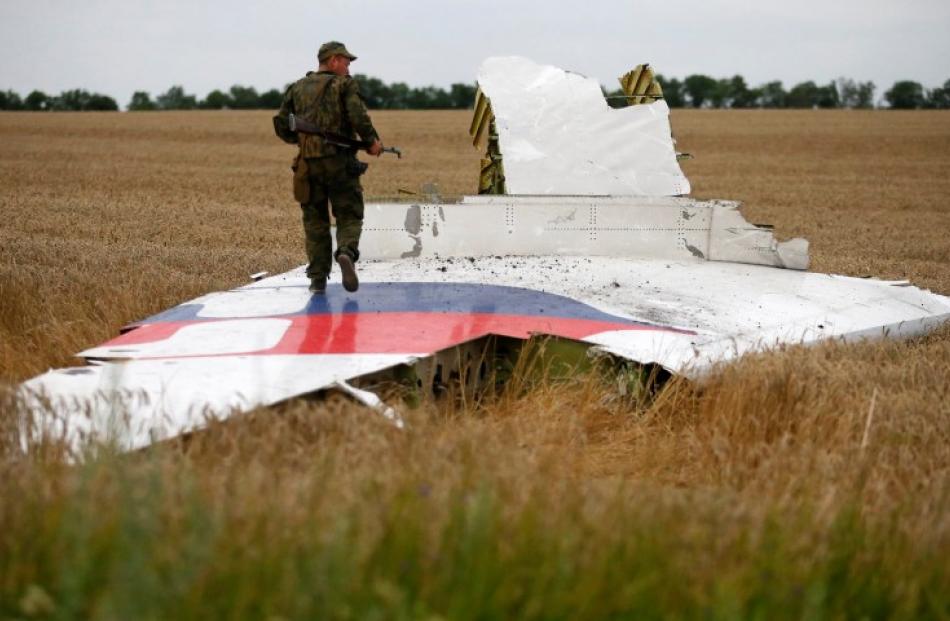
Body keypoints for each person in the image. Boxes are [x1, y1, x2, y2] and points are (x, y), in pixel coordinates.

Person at [276, 41, 383, 294]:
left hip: (307, 166)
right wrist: (372, 142)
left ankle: (317, 280)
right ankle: (345, 252)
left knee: (315, 223)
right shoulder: (343, 85)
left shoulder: (296, 88)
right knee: (349, 214)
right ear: (334, 60)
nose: (348, 68)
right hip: (340, 164)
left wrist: (302, 141)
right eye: (346, 63)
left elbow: (282, 124)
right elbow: (359, 116)